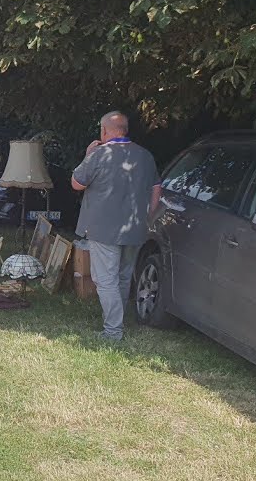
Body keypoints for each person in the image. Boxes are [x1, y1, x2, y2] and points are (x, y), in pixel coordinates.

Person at [71, 111, 162, 342]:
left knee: (106, 280)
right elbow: (156, 189)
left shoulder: (99, 155)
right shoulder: (145, 156)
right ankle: (116, 323)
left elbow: (77, 183)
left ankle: (113, 332)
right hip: (135, 227)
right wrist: (148, 216)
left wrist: (87, 155)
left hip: (103, 230)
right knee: (123, 276)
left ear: (104, 131)